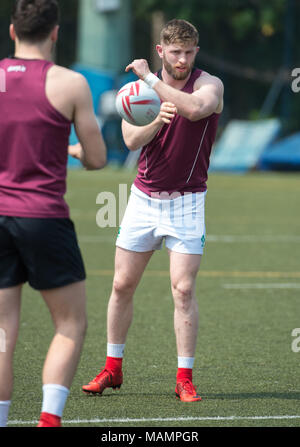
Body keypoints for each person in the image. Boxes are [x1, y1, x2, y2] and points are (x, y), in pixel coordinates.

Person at [82, 19, 223, 402]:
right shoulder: (139, 91)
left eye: (190, 52)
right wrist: (154, 123)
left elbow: (195, 110)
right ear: (161, 50)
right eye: (176, 52)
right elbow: (129, 141)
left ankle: (184, 377)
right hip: (143, 200)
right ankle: (112, 369)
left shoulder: (209, 84)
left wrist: (152, 81)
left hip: (188, 202)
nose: (183, 59)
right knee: (121, 285)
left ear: (197, 51)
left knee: (183, 289)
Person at [0, 0, 107, 427]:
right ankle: (48, 421)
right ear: (56, 33)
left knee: (3, 335)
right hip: (44, 217)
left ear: (13, 32)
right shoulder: (71, 83)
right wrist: (77, 152)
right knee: (70, 323)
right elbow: (98, 158)